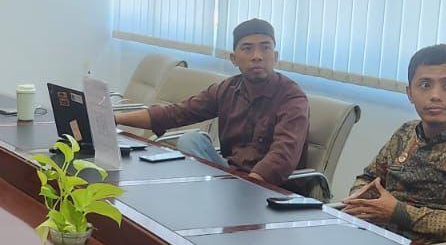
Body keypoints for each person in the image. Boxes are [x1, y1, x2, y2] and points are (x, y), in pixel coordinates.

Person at [341, 43, 446, 245]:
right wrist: (359, 196)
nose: (435, 95)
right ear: (410, 93)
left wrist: (399, 212)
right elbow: (369, 177)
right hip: (377, 239)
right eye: (425, 85)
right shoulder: (406, 133)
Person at [114, 19, 308, 187]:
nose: (257, 55)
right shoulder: (227, 89)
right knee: (191, 140)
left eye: (265, 47)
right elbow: (175, 113)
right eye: (247, 48)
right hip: (231, 179)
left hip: (272, 190)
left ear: (275, 57)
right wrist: (114, 118)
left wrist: (247, 189)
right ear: (234, 59)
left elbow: (282, 157)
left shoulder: (292, 97)